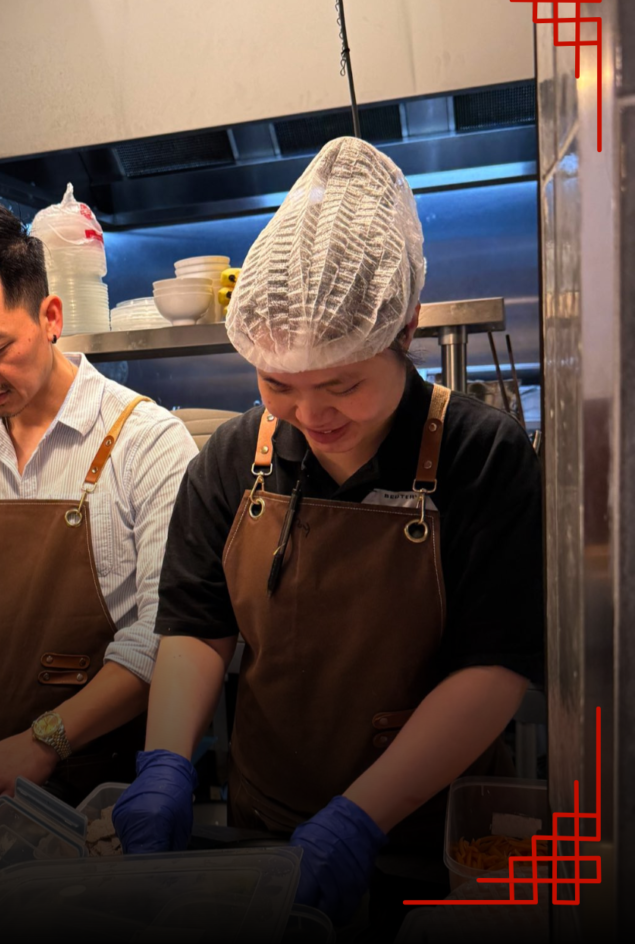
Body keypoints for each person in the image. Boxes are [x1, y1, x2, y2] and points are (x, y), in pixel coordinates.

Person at [112, 138, 544, 927]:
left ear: (404, 328)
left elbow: (494, 666)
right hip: (263, 820)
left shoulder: (481, 452)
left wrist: (357, 820)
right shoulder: (233, 455)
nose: (310, 416)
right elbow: (196, 625)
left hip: (430, 829)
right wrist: (166, 762)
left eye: (342, 383)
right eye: (278, 384)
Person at [0, 202, 198, 812]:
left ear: (50, 316)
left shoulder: (148, 442)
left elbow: (163, 634)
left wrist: (42, 742)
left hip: (106, 790)